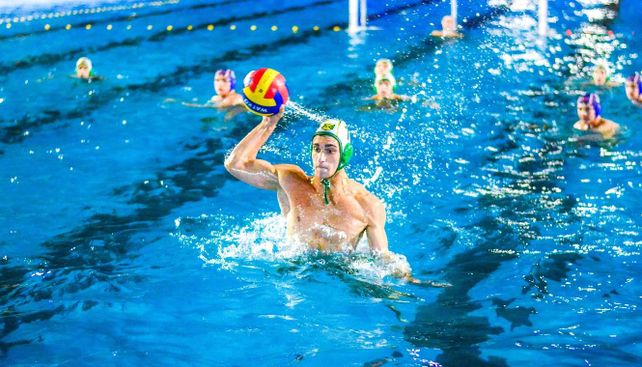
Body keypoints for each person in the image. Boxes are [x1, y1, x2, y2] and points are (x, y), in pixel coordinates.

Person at [224, 107, 414, 279]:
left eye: (330, 150)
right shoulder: (290, 180)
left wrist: (405, 276)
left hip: (340, 277)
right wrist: (268, 123)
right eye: (316, 149)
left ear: (345, 154)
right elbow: (235, 164)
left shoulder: (367, 205)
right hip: (291, 273)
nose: (321, 158)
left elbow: (381, 259)